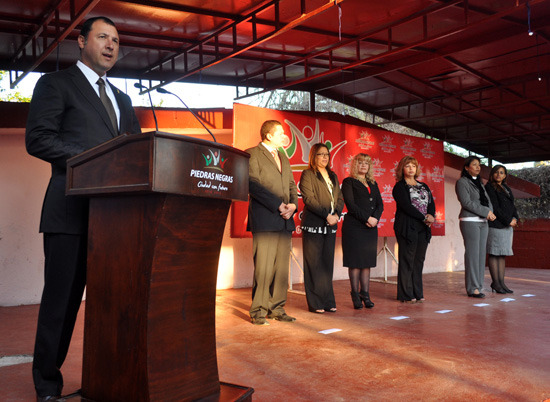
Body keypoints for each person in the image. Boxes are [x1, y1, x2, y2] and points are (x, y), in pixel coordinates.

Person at [25, 16, 141, 402]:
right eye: (103, 37)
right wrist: (96, 159)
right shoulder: (56, 84)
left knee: (113, 305)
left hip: (116, 222)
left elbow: (138, 154)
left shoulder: (123, 100)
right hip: (69, 215)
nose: (111, 45)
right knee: (61, 304)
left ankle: (110, 377)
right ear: (81, 41)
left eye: (116, 39)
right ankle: (46, 384)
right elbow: (38, 139)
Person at [246, 120, 298, 326]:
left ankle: (276, 308)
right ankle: (258, 310)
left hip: (285, 220)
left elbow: (292, 185)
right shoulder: (251, 154)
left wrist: (293, 205)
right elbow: (252, 184)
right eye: (280, 133)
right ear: (268, 135)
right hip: (266, 219)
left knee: (281, 268)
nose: (284, 136)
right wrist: (278, 205)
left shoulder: (283, 156)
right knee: (264, 267)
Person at [299, 143, 345, 313]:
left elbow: (340, 198)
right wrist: (327, 215)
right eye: (321, 154)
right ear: (313, 156)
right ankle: (315, 303)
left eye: (327, 154)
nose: (325, 157)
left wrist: (336, 215)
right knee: (314, 264)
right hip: (314, 225)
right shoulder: (308, 174)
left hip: (331, 225)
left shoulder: (333, 176)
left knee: (327, 264)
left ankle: (327, 300)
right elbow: (309, 199)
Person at [341, 153, 384, 309]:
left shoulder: (373, 183)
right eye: (360, 163)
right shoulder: (349, 182)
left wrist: (375, 219)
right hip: (354, 227)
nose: (363, 165)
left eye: (366, 163)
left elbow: (380, 205)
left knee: (366, 263)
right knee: (355, 262)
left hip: (370, 228)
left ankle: (365, 294)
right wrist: (367, 218)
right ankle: (355, 295)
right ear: (355, 165)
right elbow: (351, 205)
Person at [392, 156, 435, 303]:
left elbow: (431, 202)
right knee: (407, 259)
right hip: (407, 226)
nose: (411, 168)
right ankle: (406, 294)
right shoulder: (399, 187)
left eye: (413, 166)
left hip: (423, 227)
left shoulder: (424, 186)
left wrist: (431, 215)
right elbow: (406, 206)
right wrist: (424, 217)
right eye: (407, 165)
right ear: (402, 169)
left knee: (418, 260)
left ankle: (418, 292)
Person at [455, 156, 496, 298]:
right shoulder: (462, 182)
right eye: (474, 165)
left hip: (483, 222)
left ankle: (479, 286)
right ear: (467, 168)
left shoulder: (480, 183)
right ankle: (472, 288)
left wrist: (490, 212)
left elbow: (488, 201)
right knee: (472, 255)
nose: (478, 167)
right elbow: (466, 202)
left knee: (480, 255)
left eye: (479, 165)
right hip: (469, 221)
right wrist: (486, 212)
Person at [485, 165, 519, 294]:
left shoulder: (507, 188)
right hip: (496, 225)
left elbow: (512, 206)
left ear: (505, 175)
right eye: (496, 172)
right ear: (492, 174)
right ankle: (496, 283)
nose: (499, 175)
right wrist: (507, 220)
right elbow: (495, 207)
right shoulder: (489, 187)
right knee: (494, 253)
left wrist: (515, 217)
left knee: (502, 254)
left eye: (502, 173)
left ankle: (501, 283)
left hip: (507, 226)